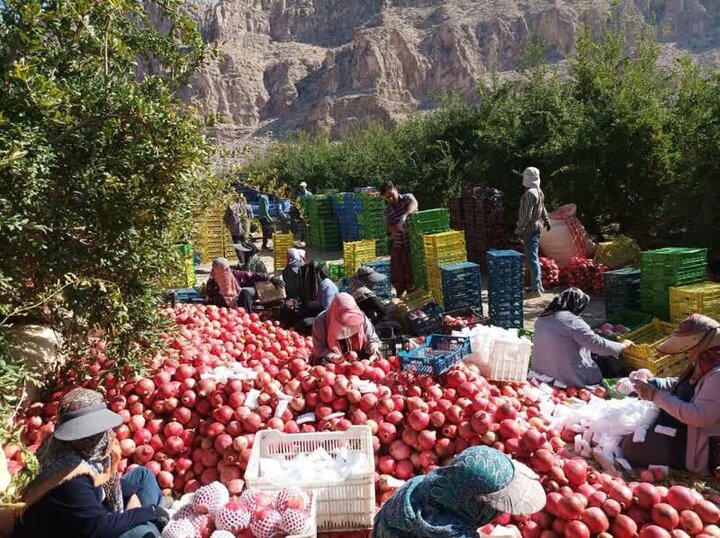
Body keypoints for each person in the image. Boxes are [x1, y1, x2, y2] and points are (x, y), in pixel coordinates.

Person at [13, 388, 170, 538]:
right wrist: (147, 512)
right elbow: (97, 530)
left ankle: (154, 523)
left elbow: (103, 480)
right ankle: (155, 525)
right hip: (75, 532)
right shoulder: (69, 477)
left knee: (143, 476)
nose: (107, 434)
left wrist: (130, 496)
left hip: (89, 512)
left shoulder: (78, 449)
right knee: (143, 533)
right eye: (97, 432)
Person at [373, 445, 546, 538]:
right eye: (496, 507)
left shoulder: (421, 485)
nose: (499, 512)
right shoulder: (451, 533)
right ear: (476, 504)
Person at [622, 314, 720, 474]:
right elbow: (687, 387)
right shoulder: (707, 360)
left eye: (690, 350)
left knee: (632, 446)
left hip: (700, 449)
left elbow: (699, 416)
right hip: (686, 432)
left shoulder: (717, 374)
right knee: (630, 433)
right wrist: (656, 383)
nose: (688, 355)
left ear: (701, 344)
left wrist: (656, 396)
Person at [531, 288, 633, 387]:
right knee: (605, 359)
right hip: (567, 377)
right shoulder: (571, 320)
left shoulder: (542, 319)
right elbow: (597, 344)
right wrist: (621, 346)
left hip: (543, 373)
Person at [311, 293, 382, 364]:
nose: (347, 327)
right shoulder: (321, 321)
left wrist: (373, 348)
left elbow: (373, 339)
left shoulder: (360, 316)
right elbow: (319, 349)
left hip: (359, 363)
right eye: (343, 322)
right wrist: (333, 357)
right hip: (333, 364)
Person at [516, 167, 551, 299]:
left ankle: (536, 288)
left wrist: (519, 229)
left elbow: (527, 215)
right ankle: (537, 286)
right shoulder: (539, 192)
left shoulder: (530, 193)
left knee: (532, 258)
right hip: (536, 227)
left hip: (530, 229)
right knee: (533, 257)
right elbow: (543, 208)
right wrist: (547, 221)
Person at [380, 181, 418, 298]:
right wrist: (398, 227)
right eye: (387, 197)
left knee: (411, 270)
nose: (391, 198)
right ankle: (400, 293)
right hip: (398, 243)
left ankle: (412, 293)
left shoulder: (407, 198)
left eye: (391, 194)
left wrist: (405, 215)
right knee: (397, 271)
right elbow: (390, 227)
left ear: (395, 189)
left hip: (412, 243)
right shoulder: (387, 211)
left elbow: (414, 204)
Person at [205, 257, 282, 313]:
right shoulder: (212, 281)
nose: (226, 271)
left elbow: (252, 275)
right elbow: (209, 295)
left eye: (227, 268)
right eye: (223, 269)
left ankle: (248, 317)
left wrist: (270, 277)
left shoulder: (233, 274)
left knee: (245, 293)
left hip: (237, 303)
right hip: (222, 310)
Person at [223, 193, 254, 263]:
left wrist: (228, 225)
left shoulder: (231, 207)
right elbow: (252, 217)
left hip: (235, 230)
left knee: (238, 246)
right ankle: (246, 262)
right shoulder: (248, 207)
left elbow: (225, 218)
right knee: (245, 245)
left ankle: (242, 261)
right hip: (245, 230)